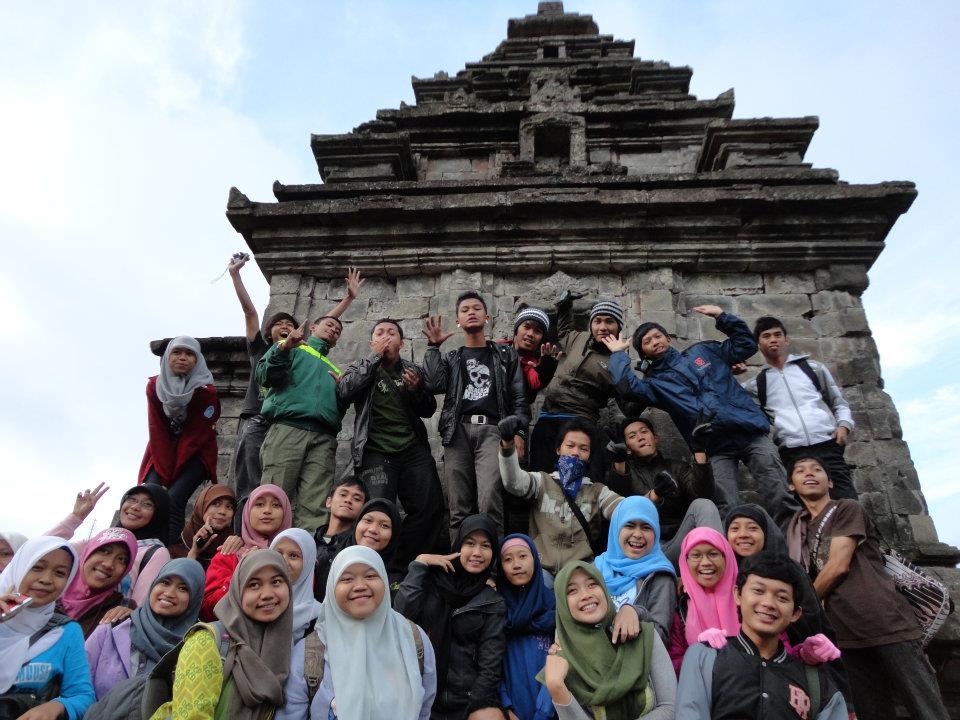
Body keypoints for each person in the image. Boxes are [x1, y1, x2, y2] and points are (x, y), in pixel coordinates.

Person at [603, 305, 799, 525]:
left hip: (749, 431)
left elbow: (746, 344)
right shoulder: (656, 384)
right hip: (714, 447)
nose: (655, 342)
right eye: (647, 342)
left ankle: (794, 540)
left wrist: (721, 316)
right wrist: (618, 354)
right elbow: (627, 388)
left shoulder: (703, 351)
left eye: (657, 336)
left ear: (668, 338)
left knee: (778, 491)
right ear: (644, 353)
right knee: (725, 506)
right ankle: (730, 547)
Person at [786, 456, 950, 720]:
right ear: (791, 485)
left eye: (817, 470)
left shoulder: (846, 509)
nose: (809, 474)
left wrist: (802, 605)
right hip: (845, 634)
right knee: (872, 712)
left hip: (887, 622)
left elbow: (838, 565)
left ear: (830, 481)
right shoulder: (798, 531)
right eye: (800, 471)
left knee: (926, 708)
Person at [676, 554, 848, 720]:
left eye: (782, 597)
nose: (768, 603)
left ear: (795, 613)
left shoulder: (814, 680)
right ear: (738, 594)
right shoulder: (705, 658)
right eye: (758, 590)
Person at [257, 269, 362, 533]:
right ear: (312, 328)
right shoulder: (292, 349)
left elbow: (340, 407)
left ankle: (307, 552)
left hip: (323, 437)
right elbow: (265, 375)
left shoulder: (335, 370)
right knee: (273, 497)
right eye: (329, 325)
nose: (334, 329)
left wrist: (344, 392)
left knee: (316, 506)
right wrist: (284, 347)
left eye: (338, 330)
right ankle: (263, 551)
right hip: (288, 429)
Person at [279, 545, 437, 720]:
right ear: (331, 588)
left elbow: (424, 709)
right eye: (347, 579)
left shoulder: (412, 639)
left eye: (370, 576)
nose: (360, 586)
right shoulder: (309, 653)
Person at [338, 318, 444, 567]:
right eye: (380, 333)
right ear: (371, 342)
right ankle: (372, 566)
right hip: (375, 450)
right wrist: (373, 358)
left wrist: (416, 390)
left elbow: (428, 409)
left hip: (412, 448)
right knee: (377, 511)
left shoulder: (411, 370)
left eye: (391, 333)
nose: (385, 336)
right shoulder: (361, 366)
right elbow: (344, 390)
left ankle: (404, 565)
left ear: (401, 343)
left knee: (430, 507)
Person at [422, 291, 530, 537]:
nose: (471, 312)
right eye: (465, 310)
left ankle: (493, 560)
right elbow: (433, 384)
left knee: (490, 501)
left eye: (476, 308)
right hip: (457, 432)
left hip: (493, 431)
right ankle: (459, 560)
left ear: (487, 317)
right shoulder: (452, 358)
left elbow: (519, 397)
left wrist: (520, 432)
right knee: (457, 505)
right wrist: (433, 347)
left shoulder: (505, 355)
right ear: (458, 321)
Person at [147, 549, 293, 720]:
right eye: (254, 585)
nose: (267, 594)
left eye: (276, 582)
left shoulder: (282, 647)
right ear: (238, 591)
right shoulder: (206, 642)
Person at [395, 514, 506, 720]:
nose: (477, 553)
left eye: (486, 546)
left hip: (464, 703)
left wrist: (473, 708)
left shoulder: (492, 601)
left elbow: (490, 665)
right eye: (470, 543)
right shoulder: (432, 580)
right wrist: (420, 563)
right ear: (458, 545)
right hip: (419, 695)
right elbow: (401, 615)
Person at [540, 561, 676, 720]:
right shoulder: (563, 664)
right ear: (563, 605)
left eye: (592, 585)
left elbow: (671, 709)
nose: (586, 595)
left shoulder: (643, 636)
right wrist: (557, 688)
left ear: (604, 590)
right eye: (572, 591)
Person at [742, 316, 857, 500]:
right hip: (792, 452)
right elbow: (729, 398)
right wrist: (730, 370)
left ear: (786, 340)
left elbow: (838, 402)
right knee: (806, 507)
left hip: (827, 444)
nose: (773, 339)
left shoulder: (813, 369)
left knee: (847, 502)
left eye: (778, 334)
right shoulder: (756, 384)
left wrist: (844, 426)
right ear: (758, 344)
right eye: (766, 336)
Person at [499, 417, 623, 575]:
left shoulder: (598, 492)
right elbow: (513, 482)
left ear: (590, 456)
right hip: (541, 571)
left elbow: (627, 509)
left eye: (583, 449)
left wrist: (653, 495)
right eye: (570, 446)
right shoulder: (542, 481)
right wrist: (507, 444)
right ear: (558, 449)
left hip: (580, 572)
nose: (575, 452)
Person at [226, 252, 299, 516]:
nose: (284, 326)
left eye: (289, 324)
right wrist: (235, 275)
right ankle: (243, 529)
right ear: (270, 331)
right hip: (257, 417)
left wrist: (348, 300)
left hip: (284, 422)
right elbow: (250, 312)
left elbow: (325, 329)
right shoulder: (261, 349)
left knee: (278, 487)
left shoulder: (300, 358)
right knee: (249, 483)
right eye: (279, 324)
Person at [532, 293, 635, 476]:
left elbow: (629, 404)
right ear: (591, 324)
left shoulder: (619, 360)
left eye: (609, 321)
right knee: (541, 475)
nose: (602, 327)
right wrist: (565, 306)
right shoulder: (580, 338)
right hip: (548, 416)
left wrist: (619, 357)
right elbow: (564, 331)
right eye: (597, 321)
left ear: (618, 326)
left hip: (580, 422)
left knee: (579, 478)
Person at [0, 537, 95, 720]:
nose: (46, 580)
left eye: (60, 573)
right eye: (37, 567)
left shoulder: (66, 631)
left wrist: (58, 706)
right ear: (20, 567)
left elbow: (83, 696)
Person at [84, 557, 204, 700]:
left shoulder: (195, 648)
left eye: (183, 588)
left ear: (195, 598)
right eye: (165, 582)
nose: (169, 593)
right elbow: (76, 688)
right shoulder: (112, 628)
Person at [139, 335, 221, 545]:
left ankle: (166, 549)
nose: (182, 358)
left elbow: (195, 436)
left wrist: (173, 472)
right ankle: (138, 545)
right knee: (149, 495)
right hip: (162, 448)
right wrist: (165, 468)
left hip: (196, 453)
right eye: (177, 352)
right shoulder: (155, 386)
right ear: (167, 357)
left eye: (189, 354)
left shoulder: (206, 393)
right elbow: (156, 428)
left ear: (197, 360)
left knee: (174, 499)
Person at [607, 417, 720, 565]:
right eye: (632, 436)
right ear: (627, 446)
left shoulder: (677, 467)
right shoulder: (626, 473)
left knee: (703, 504)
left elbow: (704, 495)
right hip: (643, 549)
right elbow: (621, 504)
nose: (640, 437)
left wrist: (699, 451)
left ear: (656, 438)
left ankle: (714, 565)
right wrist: (619, 461)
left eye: (644, 432)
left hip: (680, 544)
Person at [593, 496, 677, 644]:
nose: (637, 534)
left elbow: (660, 636)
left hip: (632, 656)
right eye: (630, 525)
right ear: (616, 528)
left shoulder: (661, 576)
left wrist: (636, 612)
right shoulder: (596, 567)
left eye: (646, 527)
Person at [202, 484, 292, 620]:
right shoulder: (228, 554)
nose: (267, 510)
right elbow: (208, 609)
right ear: (247, 511)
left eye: (276, 505)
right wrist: (242, 570)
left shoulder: (295, 556)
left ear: (286, 512)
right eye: (259, 504)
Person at [497, 534, 557, 720]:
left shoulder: (553, 607)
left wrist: (543, 713)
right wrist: (505, 707)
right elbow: (490, 663)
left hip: (550, 709)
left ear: (535, 560)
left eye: (523, 556)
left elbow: (561, 661)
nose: (516, 564)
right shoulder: (497, 611)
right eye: (508, 559)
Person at [667, 528, 739, 674]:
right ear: (685, 561)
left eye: (713, 554)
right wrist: (700, 651)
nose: (705, 562)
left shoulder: (747, 599)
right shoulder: (679, 608)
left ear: (726, 557)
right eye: (696, 555)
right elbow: (673, 666)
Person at [316, 498, 403, 601]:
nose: (373, 529)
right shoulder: (327, 560)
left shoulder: (400, 579)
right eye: (368, 521)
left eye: (384, 526)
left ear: (394, 535)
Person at [58, 527, 138, 638]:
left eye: (122, 559)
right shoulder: (52, 589)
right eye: (105, 551)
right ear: (88, 552)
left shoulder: (122, 610)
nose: (109, 564)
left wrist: (133, 619)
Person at [111, 484, 172, 609]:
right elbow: (66, 555)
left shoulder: (156, 552)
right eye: (131, 499)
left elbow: (137, 607)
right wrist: (77, 517)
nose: (135, 507)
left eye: (147, 504)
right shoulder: (106, 539)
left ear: (158, 514)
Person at [498, 307, 559, 407]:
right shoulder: (496, 349)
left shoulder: (532, 366)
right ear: (516, 330)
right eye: (526, 327)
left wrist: (545, 375)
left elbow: (535, 382)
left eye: (537, 331)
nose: (531, 334)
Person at [168, 484, 238, 568]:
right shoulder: (175, 549)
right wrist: (194, 552)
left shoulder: (234, 547)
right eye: (216, 504)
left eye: (229, 507)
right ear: (201, 506)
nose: (222, 511)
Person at [270, 528, 321, 640]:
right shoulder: (256, 602)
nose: (283, 561)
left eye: (293, 556)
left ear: (308, 563)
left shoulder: (318, 616)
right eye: (278, 553)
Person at [314, 476, 368, 550]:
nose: (348, 500)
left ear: (363, 510)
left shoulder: (359, 547)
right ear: (329, 502)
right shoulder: (310, 540)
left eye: (356, 499)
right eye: (343, 495)